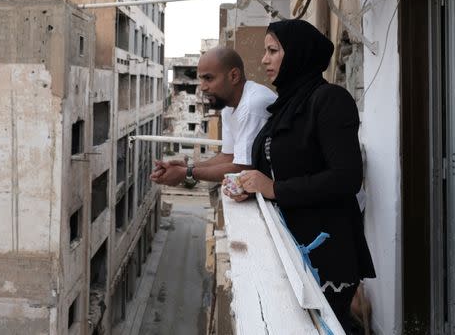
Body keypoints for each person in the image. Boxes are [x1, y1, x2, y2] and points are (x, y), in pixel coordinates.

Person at [227, 19, 375, 331]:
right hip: (295, 244)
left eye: (273, 50)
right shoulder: (286, 105)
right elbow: (277, 165)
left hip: (327, 251)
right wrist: (250, 185)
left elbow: (347, 178)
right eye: (266, 51)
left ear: (297, 54)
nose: (264, 59)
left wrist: (275, 189)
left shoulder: (330, 100)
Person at [151, 47, 276, 186]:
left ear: (234, 76)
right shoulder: (229, 107)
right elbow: (228, 157)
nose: (203, 87)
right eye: (201, 79)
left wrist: (186, 173)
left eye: (208, 78)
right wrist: (188, 167)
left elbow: (243, 168)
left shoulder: (252, 104)